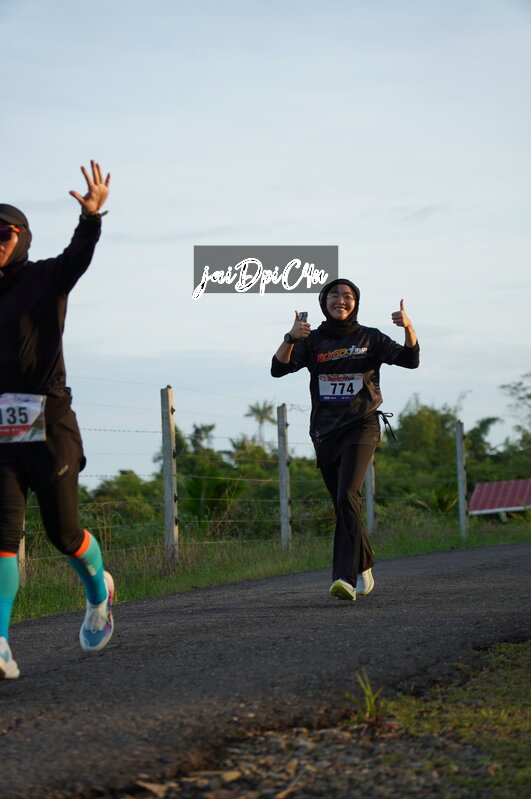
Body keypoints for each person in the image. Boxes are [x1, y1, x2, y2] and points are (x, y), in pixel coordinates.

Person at [0, 161, 114, 680]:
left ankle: (98, 594)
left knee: (63, 534)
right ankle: (1, 643)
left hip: (48, 423)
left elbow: (78, 258)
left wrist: (91, 218)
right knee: (3, 534)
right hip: (1, 434)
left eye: (4, 234)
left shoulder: (44, 278)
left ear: (21, 237)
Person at [271, 279, 419, 601]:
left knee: (347, 493)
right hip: (325, 431)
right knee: (343, 503)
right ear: (324, 302)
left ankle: (344, 578)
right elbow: (278, 369)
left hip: (362, 425)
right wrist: (290, 338)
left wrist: (408, 328)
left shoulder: (371, 337)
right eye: (334, 296)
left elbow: (410, 360)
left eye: (347, 296)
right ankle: (364, 561)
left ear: (356, 303)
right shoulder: (312, 340)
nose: (341, 300)